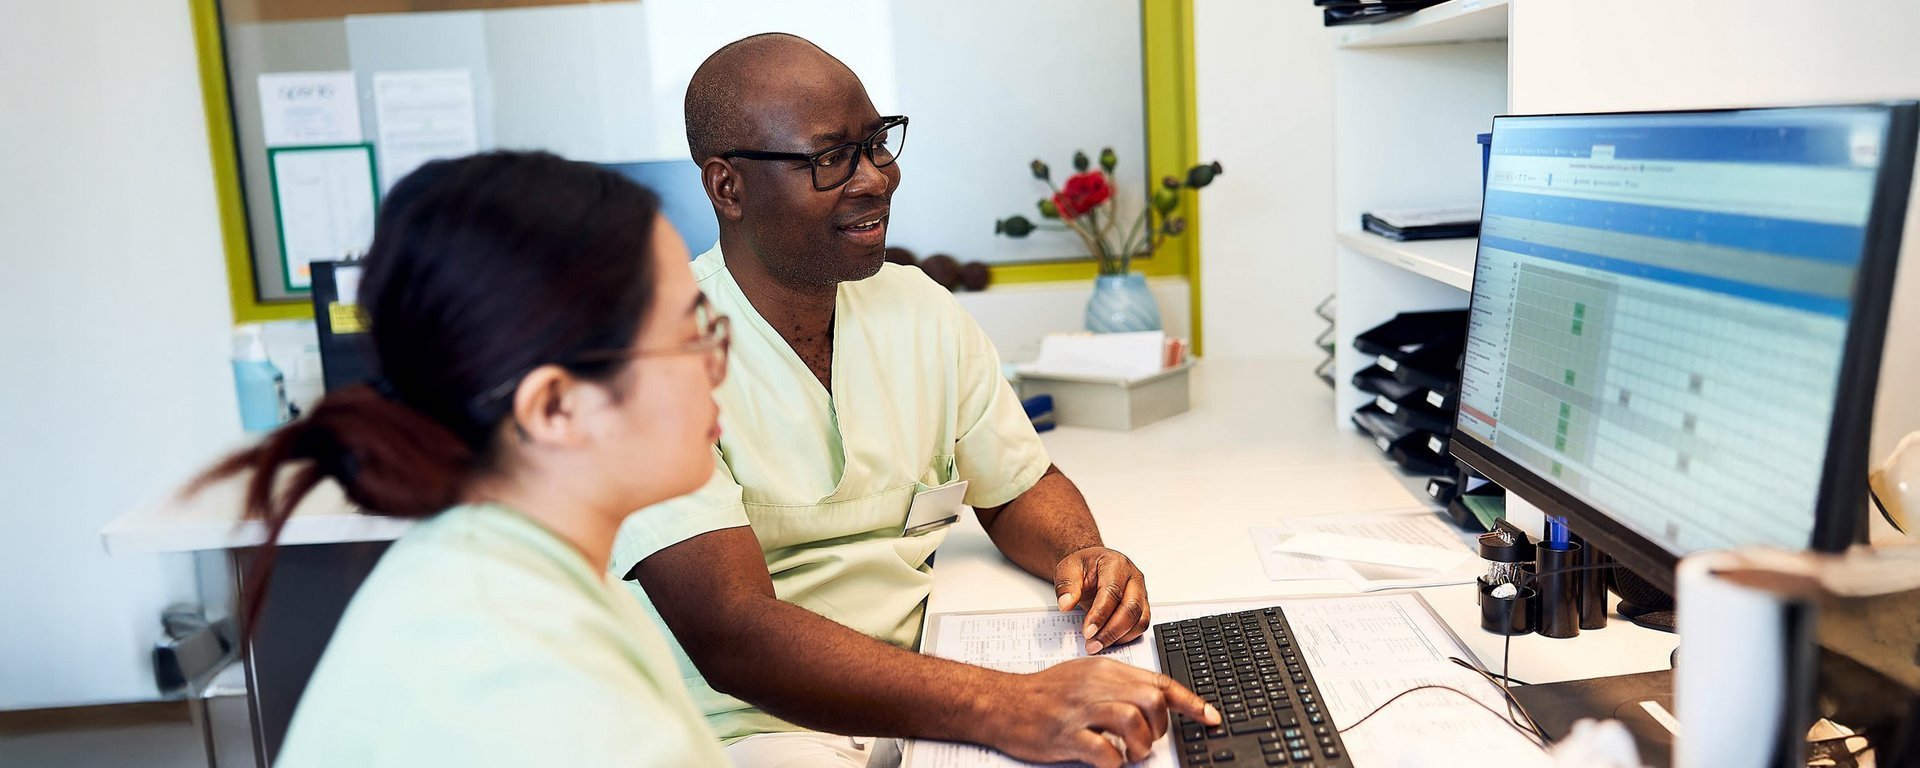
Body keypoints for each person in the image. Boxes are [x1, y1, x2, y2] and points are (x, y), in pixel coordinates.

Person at [612, 34, 1216, 768]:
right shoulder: (648, 357)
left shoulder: (919, 309)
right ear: (727, 188)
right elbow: (732, 635)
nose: (876, 179)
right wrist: (1007, 704)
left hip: (925, 679)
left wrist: (1081, 552)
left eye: (877, 143)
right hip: (749, 730)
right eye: (830, 158)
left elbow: (1019, 486)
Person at [193, 151, 732, 766]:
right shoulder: (518, 672)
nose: (719, 366)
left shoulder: (522, 569)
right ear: (555, 407)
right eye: (692, 337)